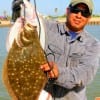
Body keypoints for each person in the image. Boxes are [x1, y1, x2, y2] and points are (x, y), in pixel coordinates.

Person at [7, 0, 100, 100]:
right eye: (75, 10)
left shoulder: (93, 44)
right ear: (67, 11)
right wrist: (18, 6)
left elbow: (85, 74)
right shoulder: (47, 27)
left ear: (89, 17)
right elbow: (27, 20)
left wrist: (58, 73)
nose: (79, 15)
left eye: (85, 13)